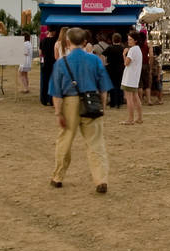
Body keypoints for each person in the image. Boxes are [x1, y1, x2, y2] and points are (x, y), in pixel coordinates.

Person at [49, 27, 113, 193]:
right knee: (96, 143)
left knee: (65, 141)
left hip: (69, 103)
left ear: (68, 42)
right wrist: (103, 107)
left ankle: (58, 177)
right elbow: (104, 88)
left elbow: (56, 92)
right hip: (91, 101)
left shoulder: (61, 63)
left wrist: (58, 113)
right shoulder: (95, 60)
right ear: (85, 42)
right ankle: (100, 179)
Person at [120, 31, 144, 124]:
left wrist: (124, 54)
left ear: (135, 40)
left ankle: (130, 119)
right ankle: (139, 118)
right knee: (135, 97)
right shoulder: (138, 49)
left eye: (130, 39)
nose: (128, 41)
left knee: (129, 98)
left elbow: (126, 63)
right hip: (134, 77)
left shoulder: (133, 50)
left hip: (129, 78)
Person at [103, 33, 126, 108]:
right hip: (120, 68)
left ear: (113, 40)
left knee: (112, 85)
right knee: (120, 85)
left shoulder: (110, 48)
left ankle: (113, 102)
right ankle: (120, 102)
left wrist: (105, 63)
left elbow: (103, 55)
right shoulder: (123, 48)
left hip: (111, 68)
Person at [39, 28, 58, 106]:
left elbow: (40, 53)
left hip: (45, 62)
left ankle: (44, 100)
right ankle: (51, 100)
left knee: (44, 82)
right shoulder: (56, 41)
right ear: (53, 32)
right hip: (53, 63)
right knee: (53, 82)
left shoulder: (43, 41)